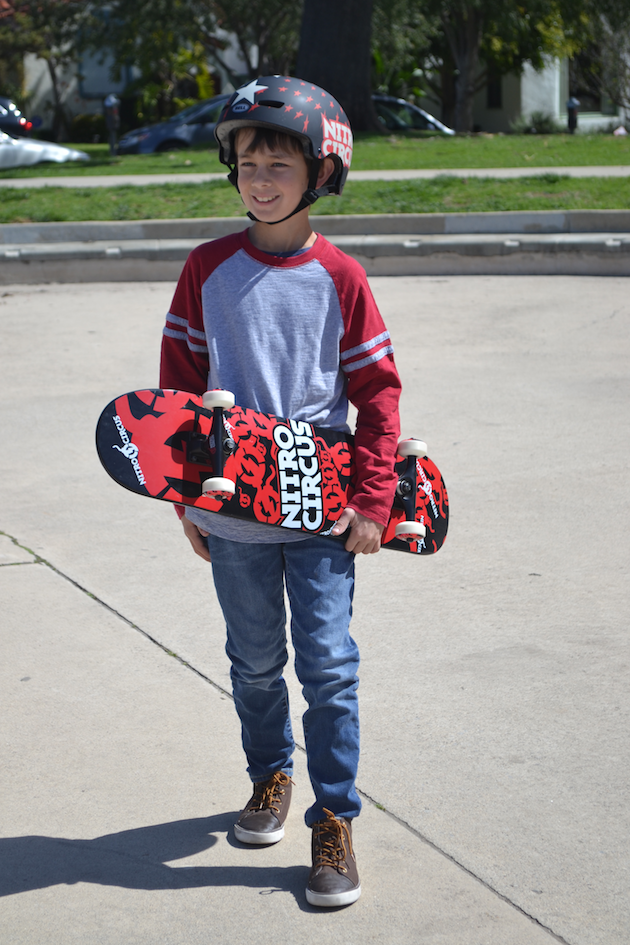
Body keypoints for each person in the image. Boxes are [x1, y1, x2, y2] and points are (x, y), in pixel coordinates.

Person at [159, 75, 401, 908]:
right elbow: (178, 395)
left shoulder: (341, 276)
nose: (262, 178)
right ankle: (271, 775)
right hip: (233, 510)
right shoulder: (206, 270)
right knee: (255, 663)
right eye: (249, 161)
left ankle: (334, 816)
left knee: (328, 667)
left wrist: (373, 500)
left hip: (326, 507)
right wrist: (183, 498)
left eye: (281, 164)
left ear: (321, 172)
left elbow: (378, 396)